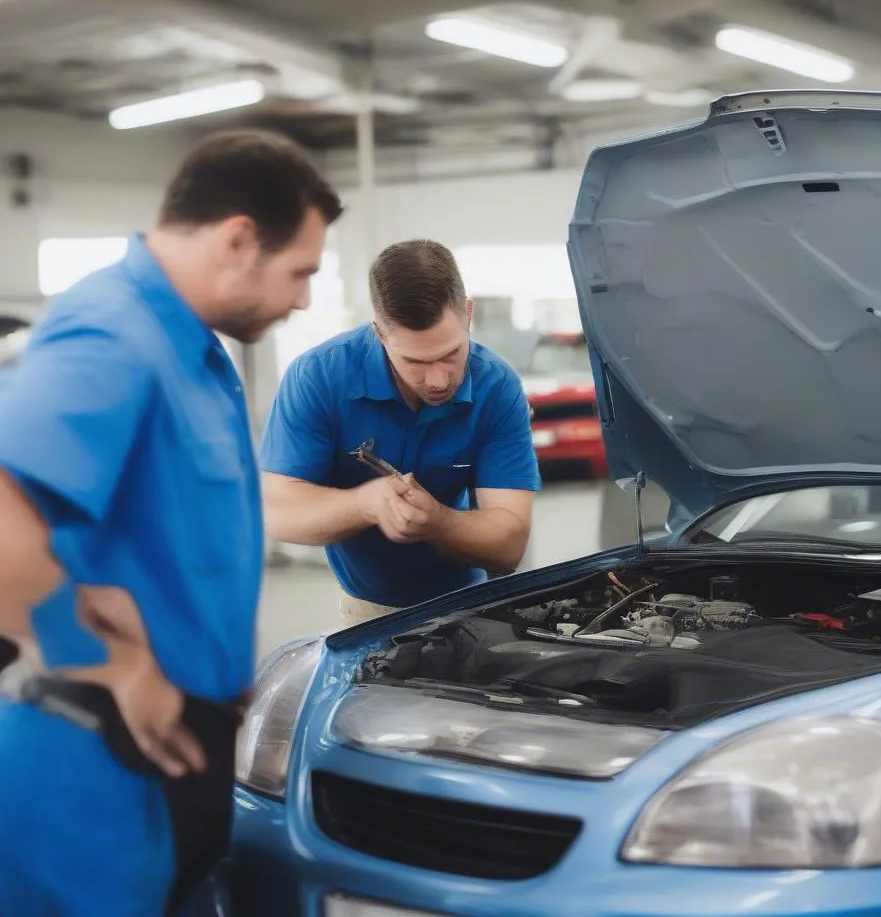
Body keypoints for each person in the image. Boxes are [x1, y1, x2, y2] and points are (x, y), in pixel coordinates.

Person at [0, 128, 341, 916]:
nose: (303, 299)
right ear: (238, 239)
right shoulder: (114, 334)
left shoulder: (188, 347)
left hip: (173, 753)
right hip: (93, 772)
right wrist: (116, 663)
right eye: (301, 273)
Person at [260, 239, 540, 625]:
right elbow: (276, 514)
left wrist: (440, 522)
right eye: (415, 362)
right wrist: (367, 504)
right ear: (379, 332)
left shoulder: (497, 387)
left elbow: (508, 545)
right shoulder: (318, 377)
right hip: (365, 609)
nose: (439, 379)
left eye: (451, 353)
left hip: (473, 606)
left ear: (468, 314)